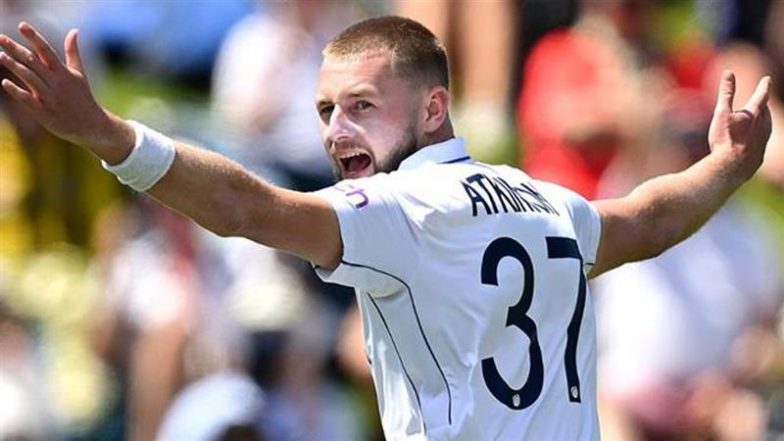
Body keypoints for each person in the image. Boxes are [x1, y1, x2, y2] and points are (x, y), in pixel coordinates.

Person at [0, 15, 772, 441]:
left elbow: (245, 209)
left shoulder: (400, 211)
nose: (337, 132)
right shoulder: (549, 203)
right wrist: (727, 168)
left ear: (435, 108)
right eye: (326, 111)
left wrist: (111, 138)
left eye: (362, 105)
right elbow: (652, 218)